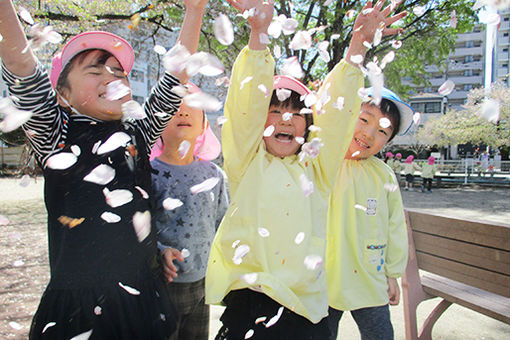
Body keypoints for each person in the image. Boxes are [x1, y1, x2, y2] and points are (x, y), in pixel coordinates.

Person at [0, 0, 207, 338]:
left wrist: (195, 9)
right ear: (62, 95)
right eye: (94, 70)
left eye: (118, 72)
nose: (110, 76)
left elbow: (177, 74)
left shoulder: (137, 133)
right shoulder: (57, 135)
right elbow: (20, 63)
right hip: (79, 314)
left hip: (142, 302)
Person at [205, 0, 406, 339]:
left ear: (309, 128)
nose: (286, 118)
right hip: (246, 304)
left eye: (297, 113)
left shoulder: (317, 170)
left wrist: (357, 46)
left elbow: (335, 115)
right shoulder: (246, 162)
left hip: (302, 313)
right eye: (275, 110)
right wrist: (258, 36)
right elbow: (244, 107)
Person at [326, 86, 413, 340]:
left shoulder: (383, 174)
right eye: (364, 119)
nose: (369, 133)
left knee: (380, 334)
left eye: (383, 131)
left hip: (369, 276)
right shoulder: (323, 161)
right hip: (326, 278)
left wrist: (392, 274)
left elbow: (394, 225)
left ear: (388, 141)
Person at [150, 82, 229, 340]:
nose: (183, 112)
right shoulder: (149, 174)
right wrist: (159, 251)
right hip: (161, 284)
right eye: (174, 107)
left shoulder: (214, 175)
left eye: (192, 107)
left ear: (205, 125)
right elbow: (138, 229)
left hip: (201, 284)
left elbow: (223, 223)